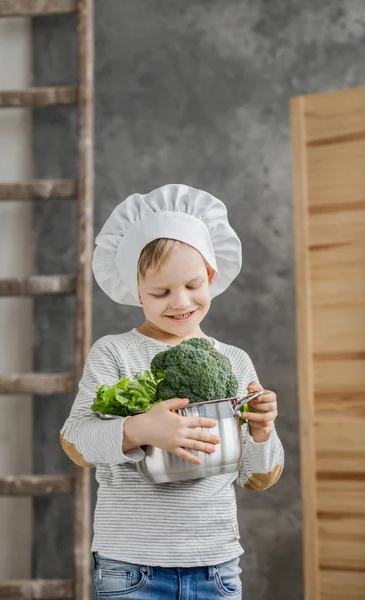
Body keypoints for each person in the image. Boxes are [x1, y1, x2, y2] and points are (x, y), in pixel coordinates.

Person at [60, 183, 284, 599]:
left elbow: (257, 479)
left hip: (216, 565)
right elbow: (75, 443)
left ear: (211, 276)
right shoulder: (115, 352)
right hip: (130, 568)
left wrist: (261, 431)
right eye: (160, 292)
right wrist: (140, 430)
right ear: (136, 291)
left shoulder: (234, 360)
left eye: (193, 285)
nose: (180, 302)